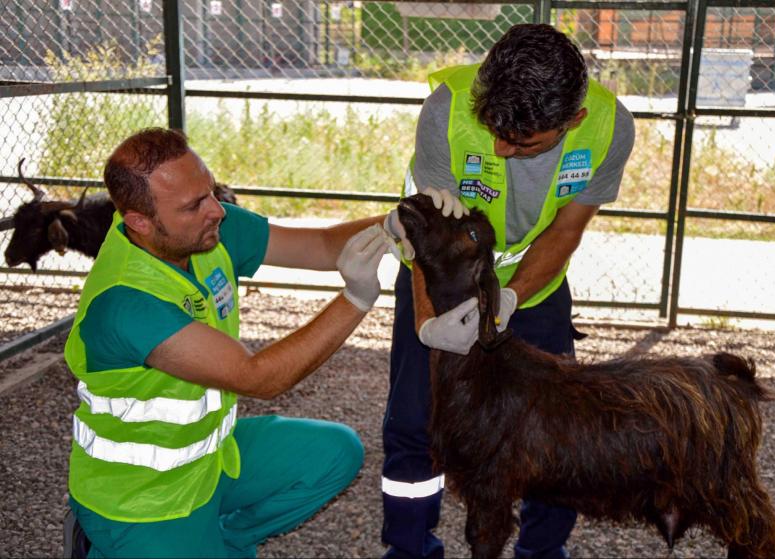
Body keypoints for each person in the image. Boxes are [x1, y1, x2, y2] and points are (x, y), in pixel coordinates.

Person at [62, 127, 393, 558]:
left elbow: (318, 245)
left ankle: (226, 540)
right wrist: (356, 299)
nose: (216, 211)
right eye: (194, 204)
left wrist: (398, 223)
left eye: (210, 191)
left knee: (335, 453)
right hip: (143, 501)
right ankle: (104, 546)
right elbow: (257, 378)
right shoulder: (127, 302)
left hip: (211, 459)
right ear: (140, 222)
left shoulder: (202, 229)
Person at [380, 24, 636, 558]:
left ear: (574, 120)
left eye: (521, 143)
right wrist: (428, 323)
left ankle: (540, 552)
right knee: (414, 419)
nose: (499, 147)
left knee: (556, 433)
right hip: (440, 282)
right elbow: (425, 236)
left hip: (535, 291)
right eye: (493, 128)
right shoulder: (446, 110)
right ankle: (410, 549)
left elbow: (565, 232)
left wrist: (511, 297)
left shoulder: (609, 128)